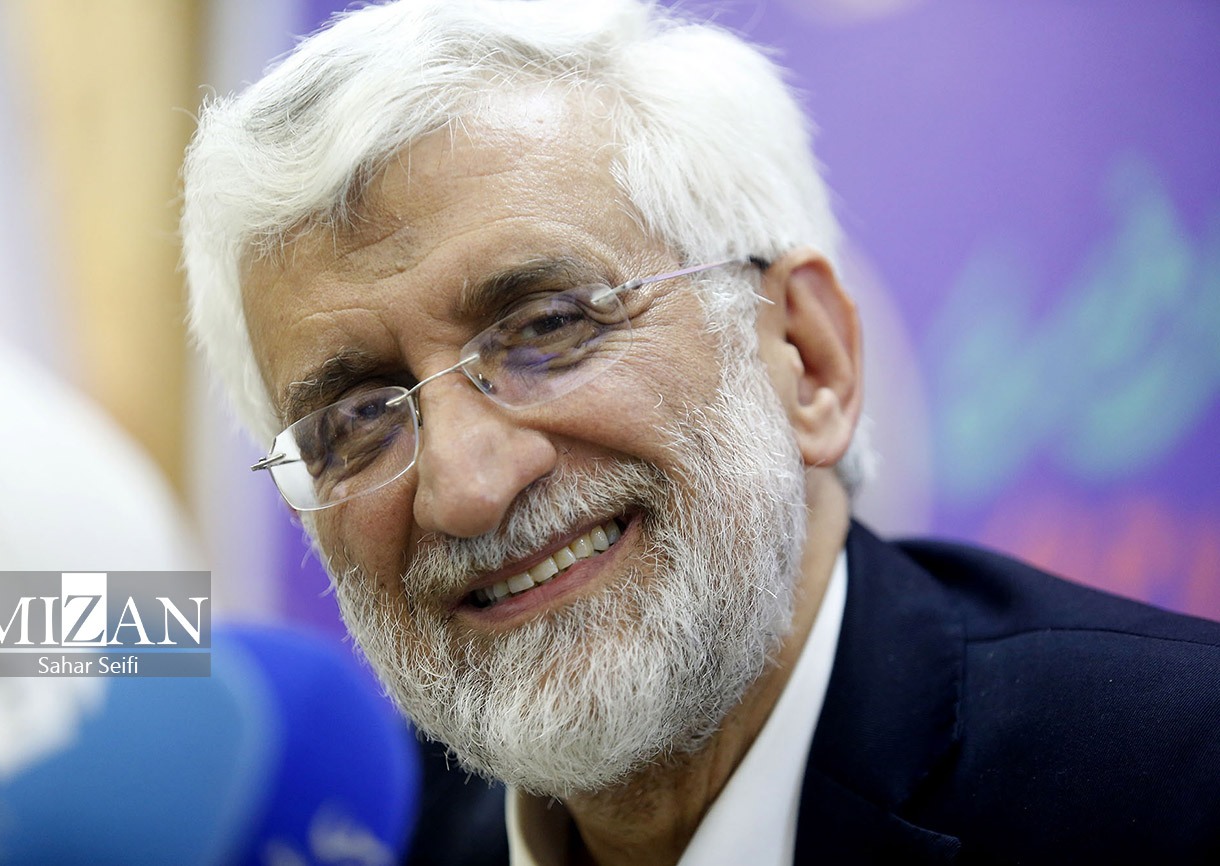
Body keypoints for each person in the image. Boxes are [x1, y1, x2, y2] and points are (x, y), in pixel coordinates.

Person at [181, 1, 1220, 863]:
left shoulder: (1175, 780)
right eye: (358, 418)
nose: (466, 485)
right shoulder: (366, 832)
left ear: (806, 357)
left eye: (547, 326)